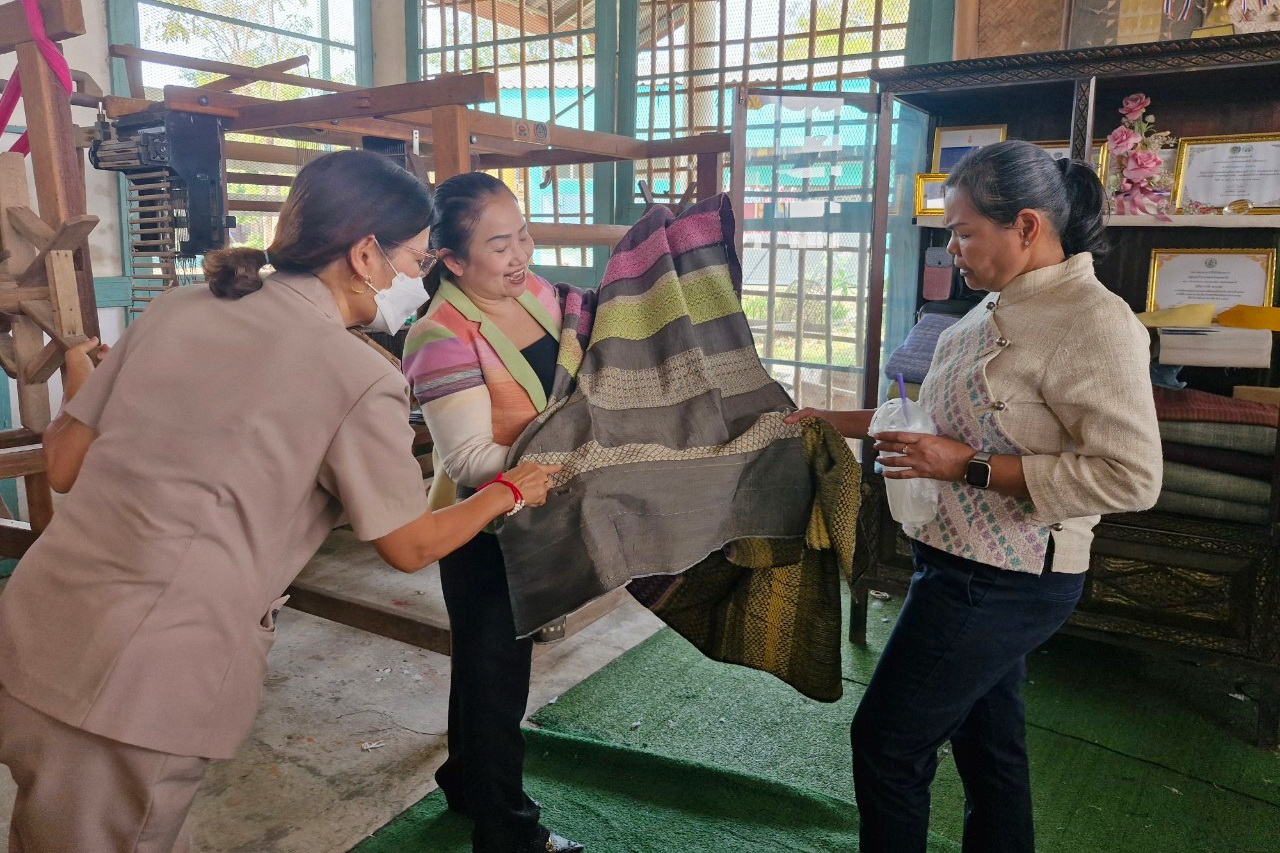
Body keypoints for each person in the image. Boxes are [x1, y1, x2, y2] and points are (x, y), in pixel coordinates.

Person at [0, 150, 560, 853]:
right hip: (139, 680)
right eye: (417, 261)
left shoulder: (177, 307)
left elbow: (62, 467)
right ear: (365, 255)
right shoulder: (357, 375)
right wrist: (510, 489)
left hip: (35, 629)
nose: (419, 282)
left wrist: (83, 383)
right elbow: (409, 544)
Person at [786, 140, 1162, 853]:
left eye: (962, 232)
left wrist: (972, 468)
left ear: (1026, 225)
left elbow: (1131, 475)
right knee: (990, 747)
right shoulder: (992, 306)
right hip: (957, 558)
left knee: (888, 742)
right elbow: (927, 422)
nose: (950, 248)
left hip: (1006, 578)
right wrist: (821, 419)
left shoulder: (1094, 321)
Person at [401, 172, 582, 853]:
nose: (520, 256)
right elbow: (473, 458)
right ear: (450, 259)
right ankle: (508, 832)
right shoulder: (439, 336)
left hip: (536, 514)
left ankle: (464, 782)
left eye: (523, 236)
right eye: (499, 245)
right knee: (497, 680)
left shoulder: (535, 293)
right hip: (484, 530)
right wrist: (570, 457)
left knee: (483, 668)